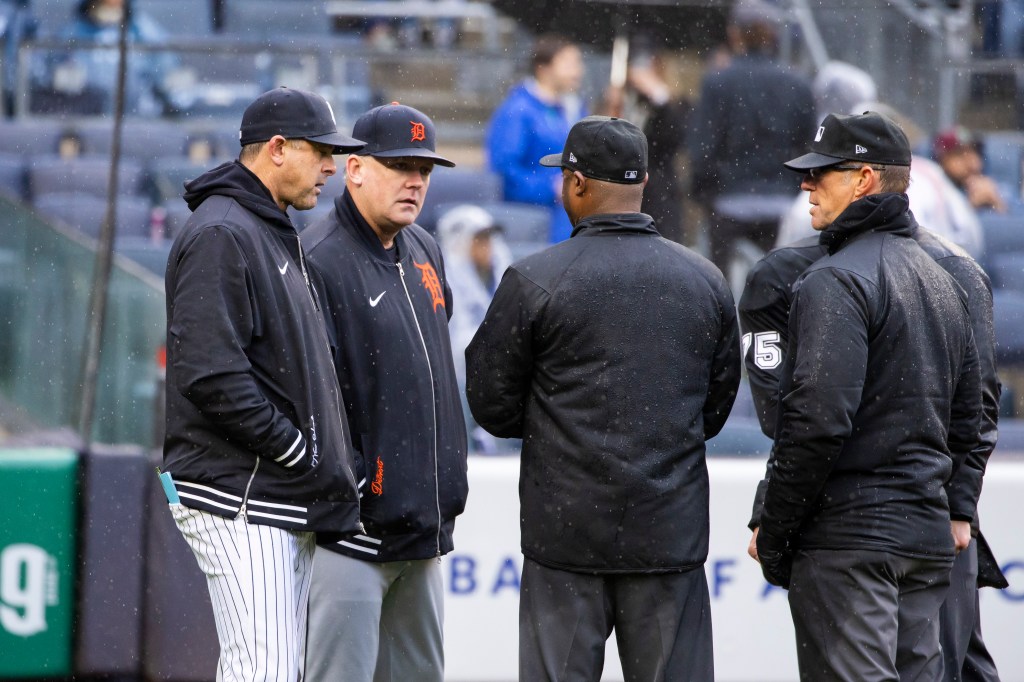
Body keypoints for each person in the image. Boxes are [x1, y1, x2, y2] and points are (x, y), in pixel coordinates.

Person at [466, 115, 741, 681]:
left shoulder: (535, 278)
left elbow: (492, 405)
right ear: (639, 186)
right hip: (668, 539)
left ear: (579, 184)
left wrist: (558, 425)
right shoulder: (704, 279)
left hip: (565, 540)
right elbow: (713, 410)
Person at [741, 179, 1008, 682]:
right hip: (919, 518)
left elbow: (809, 423)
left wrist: (960, 505)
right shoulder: (948, 270)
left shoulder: (948, 270)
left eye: (822, 175)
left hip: (868, 522)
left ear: (865, 179)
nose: (806, 187)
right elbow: (789, 420)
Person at [161, 87, 365, 681]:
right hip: (240, 493)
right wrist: (297, 449)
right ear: (277, 149)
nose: (332, 166)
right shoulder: (224, 231)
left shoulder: (267, 228)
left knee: (273, 670)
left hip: (272, 493)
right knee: (264, 670)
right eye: (320, 151)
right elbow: (210, 372)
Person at [302, 102, 469, 682]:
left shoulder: (424, 247)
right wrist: (356, 488)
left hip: (422, 533)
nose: (415, 180)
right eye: (398, 164)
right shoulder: (320, 258)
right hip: (352, 539)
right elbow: (308, 400)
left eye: (424, 168)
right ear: (354, 169)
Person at [688, 0, 816, 277]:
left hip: (728, 203)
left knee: (718, 287)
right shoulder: (798, 84)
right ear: (773, 34)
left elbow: (702, 150)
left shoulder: (718, 83)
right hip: (784, 204)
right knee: (782, 292)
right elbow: (809, 146)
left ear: (735, 34)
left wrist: (704, 194)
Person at [486, 33, 586, 244]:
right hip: (532, 225)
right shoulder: (517, 111)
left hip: (567, 224)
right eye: (568, 62)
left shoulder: (573, 108)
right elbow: (504, 170)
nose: (578, 70)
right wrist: (549, 188)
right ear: (543, 68)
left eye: (578, 62)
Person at [436, 203, 513, 454]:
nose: (487, 246)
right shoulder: (442, 281)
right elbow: (456, 341)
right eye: (479, 239)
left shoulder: (507, 274)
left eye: (489, 238)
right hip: (457, 379)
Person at [49, 0, 175, 116]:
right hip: (85, 128)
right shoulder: (71, 33)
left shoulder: (145, 32)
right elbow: (48, 80)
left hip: (137, 127)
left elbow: (171, 80)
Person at [933, 125, 1008, 214]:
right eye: (960, 154)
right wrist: (970, 207)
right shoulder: (933, 191)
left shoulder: (1002, 189)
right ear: (943, 159)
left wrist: (997, 202)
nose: (972, 163)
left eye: (975, 152)